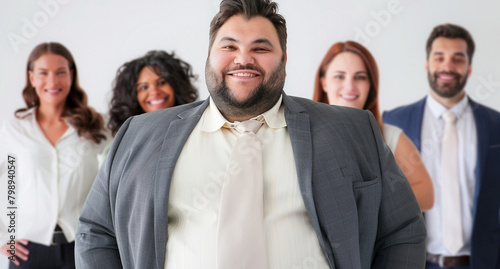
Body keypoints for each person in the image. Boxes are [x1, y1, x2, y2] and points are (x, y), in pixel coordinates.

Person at [75, 0, 426, 268]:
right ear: (209, 57)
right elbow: (96, 232)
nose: (243, 59)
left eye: (260, 47)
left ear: (284, 59)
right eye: (229, 47)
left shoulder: (353, 130)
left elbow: (402, 229)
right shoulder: (140, 134)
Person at [383, 24, 500, 268]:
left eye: (458, 59)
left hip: (483, 262)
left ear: (469, 68)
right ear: (427, 64)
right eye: (439, 58)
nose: (448, 66)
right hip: (415, 262)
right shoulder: (392, 122)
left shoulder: (495, 124)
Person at [0, 42, 108, 268]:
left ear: (71, 75)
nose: (52, 81)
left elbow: (121, 174)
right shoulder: (13, 130)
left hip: (81, 246)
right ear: (31, 77)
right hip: (28, 252)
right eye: (43, 73)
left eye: (61, 72)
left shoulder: (94, 127)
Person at [312, 41, 434, 211]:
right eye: (339, 76)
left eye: (360, 77)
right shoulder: (302, 134)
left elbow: (427, 196)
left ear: (370, 85)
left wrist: (372, 203)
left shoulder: (390, 137)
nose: (350, 86)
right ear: (324, 82)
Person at [107, 50, 199, 136]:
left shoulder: (199, 127)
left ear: (177, 85)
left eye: (162, 82)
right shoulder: (122, 143)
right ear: (132, 96)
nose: (154, 92)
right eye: (144, 87)